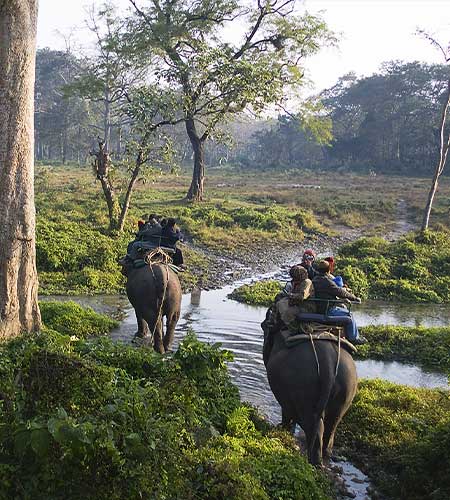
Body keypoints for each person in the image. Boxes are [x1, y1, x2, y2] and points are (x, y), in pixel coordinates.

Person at [312, 260, 367, 345]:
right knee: (349, 315)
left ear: (318, 270)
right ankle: (354, 338)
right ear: (328, 270)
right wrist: (354, 298)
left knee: (342, 308)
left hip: (318, 307)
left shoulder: (315, 279)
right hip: (328, 309)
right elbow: (340, 292)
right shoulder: (327, 281)